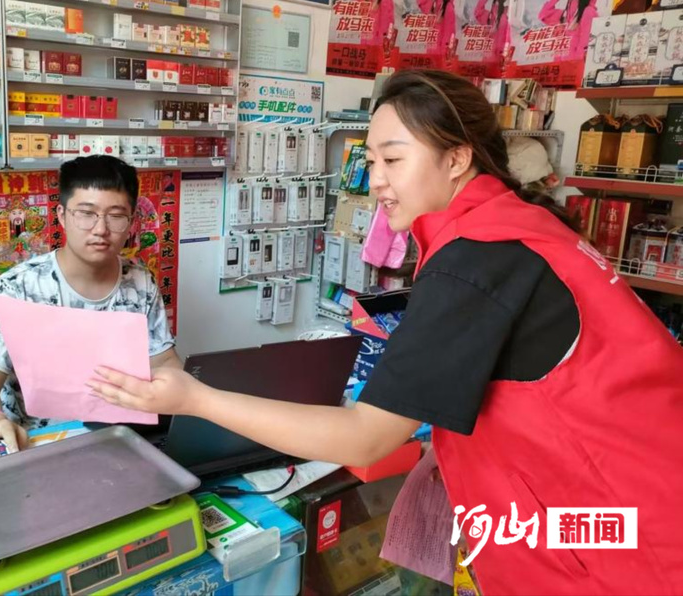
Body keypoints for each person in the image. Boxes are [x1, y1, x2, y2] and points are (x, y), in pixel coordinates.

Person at [87, 71, 683, 594]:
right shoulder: (521, 226)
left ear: (457, 158)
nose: (375, 181)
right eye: (370, 161)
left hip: (623, 544)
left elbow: (365, 439)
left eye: (393, 160)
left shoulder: (476, 258)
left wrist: (195, 399)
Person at [0, 155, 182, 464]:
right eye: (86, 214)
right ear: (62, 216)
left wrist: (192, 400)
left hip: (121, 441)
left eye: (116, 216)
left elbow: (164, 361)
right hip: (35, 447)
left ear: (131, 222)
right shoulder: (16, 287)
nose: (100, 229)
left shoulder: (141, 282)